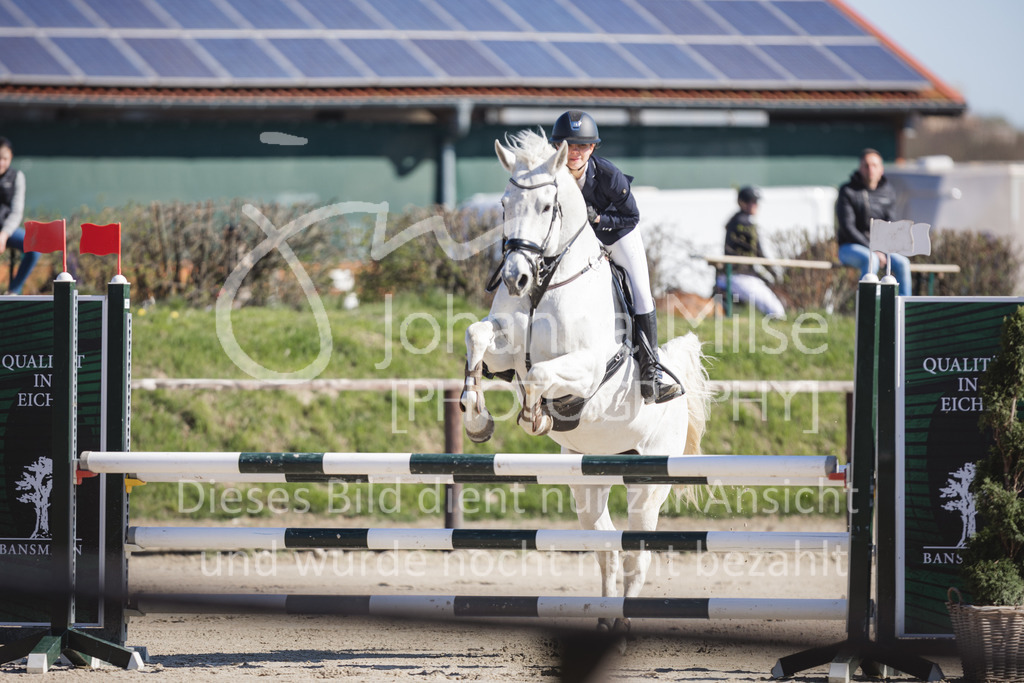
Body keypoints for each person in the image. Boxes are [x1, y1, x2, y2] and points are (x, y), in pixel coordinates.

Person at [549, 110, 681, 405]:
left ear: (592, 148)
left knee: (641, 292)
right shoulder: (552, 176)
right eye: (568, 145)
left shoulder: (609, 176)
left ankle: (651, 372)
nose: (574, 152)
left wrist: (598, 221)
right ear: (557, 147)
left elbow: (631, 217)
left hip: (617, 236)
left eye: (581, 146)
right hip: (576, 243)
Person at [835, 148, 911, 296]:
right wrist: (873, 249)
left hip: (880, 250)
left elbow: (891, 225)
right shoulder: (848, 191)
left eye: (874, 165)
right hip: (850, 247)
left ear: (881, 169)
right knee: (871, 261)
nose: (870, 169)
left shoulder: (888, 192)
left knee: (903, 263)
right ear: (860, 168)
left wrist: (884, 249)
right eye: (866, 165)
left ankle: (903, 313)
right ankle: (868, 311)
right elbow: (847, 227)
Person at [718, 186, 786, 317]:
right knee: (777, 311)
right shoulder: (744, 223)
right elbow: (758, 253)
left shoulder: (735, 220)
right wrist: (774, 273)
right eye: (751, 201)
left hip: (738, 275)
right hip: (739, 276)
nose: (754, 205)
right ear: (741, 202)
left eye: (755, 202)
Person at [0, 137, 36, 295]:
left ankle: (13, 291)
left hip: (7, 230)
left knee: (34, 247)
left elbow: (16, 212)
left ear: (10, 158)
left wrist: (3, 234)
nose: (1, 162)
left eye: (4, 158)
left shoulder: (17, 177)